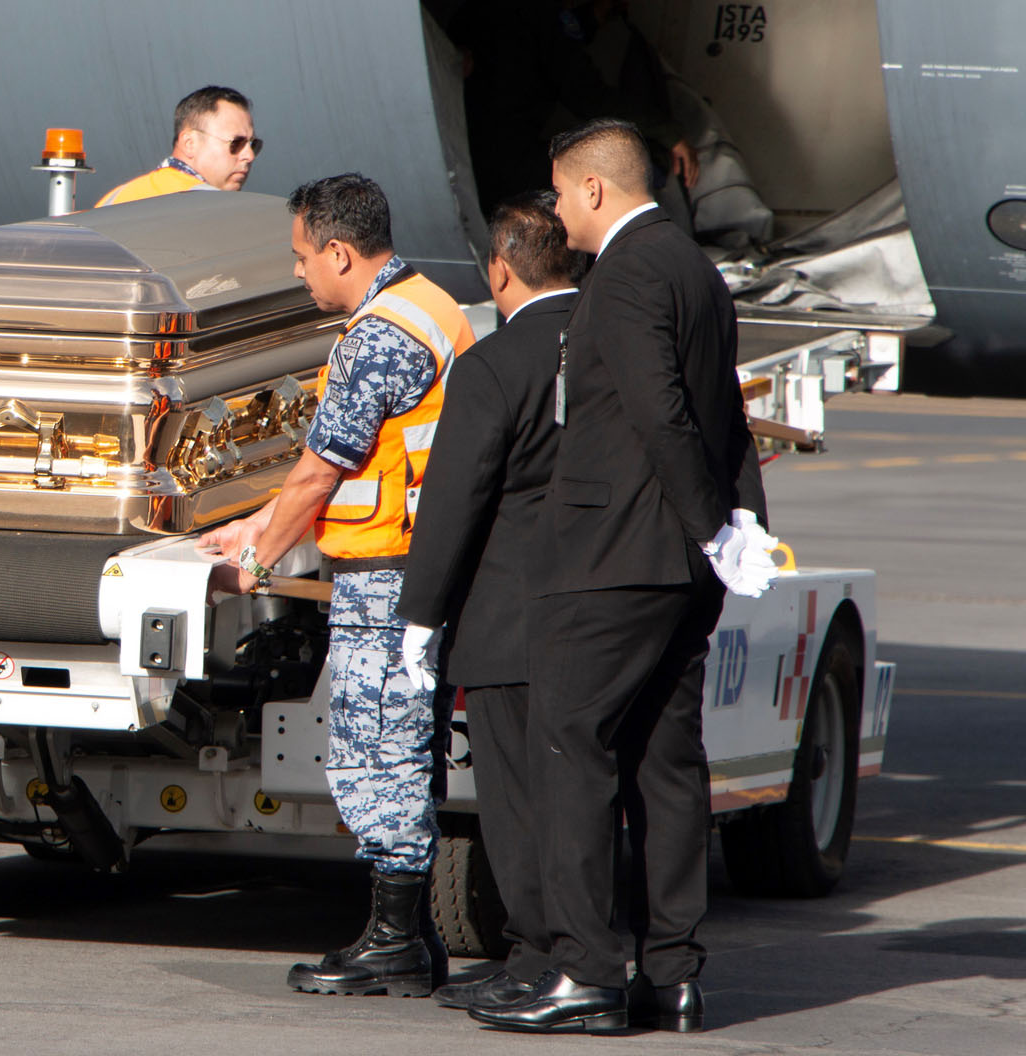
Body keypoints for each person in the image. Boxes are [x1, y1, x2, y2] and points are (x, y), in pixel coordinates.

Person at [469, 119, 775, 1035]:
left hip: (612, 559)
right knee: (664, 762)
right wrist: (737, 524)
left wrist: (712, 523)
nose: (559, 213)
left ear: (595, 189)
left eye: (563, 193)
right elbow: (725, 414)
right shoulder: (694, 268)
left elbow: (661, 411)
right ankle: (672, 973)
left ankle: (587, 971)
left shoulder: (630, 271)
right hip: (676, 565)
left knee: (570, 750)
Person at [200, 173, 474, 997]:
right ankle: (413, 937)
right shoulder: (429, 304)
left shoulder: (376, 336)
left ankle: (393, 942)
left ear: (341, 252)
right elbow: (349, 463)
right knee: (406, 748)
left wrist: (254, 564)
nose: (298, 272)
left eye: (302, 256)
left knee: (374, 753)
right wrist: (258, 524)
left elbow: (322, 472)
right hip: (421, 566)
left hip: (385, 579)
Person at [394, 192, 584, 1012]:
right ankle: (592, 951)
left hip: (511, 615)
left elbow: (454, 499)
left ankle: (536, 953)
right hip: (605, 610)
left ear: (500, 271)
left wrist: (421, 612)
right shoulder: (614, 344)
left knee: (515, 802)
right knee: (585, 793)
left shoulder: (495, 364)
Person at [445, 0, 697, 216]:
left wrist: (586, 19)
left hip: (461, 157)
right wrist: (668, 133)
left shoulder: (487, 4)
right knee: (622, 172)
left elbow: (537, 48)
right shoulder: (542, 11)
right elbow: (589, 97)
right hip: (508, 165)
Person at [94, 85, 260, 206]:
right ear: (189, 143)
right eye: (236, 143)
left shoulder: (114, 199)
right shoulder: (218, 210)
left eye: (253, 145)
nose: (249, 156)